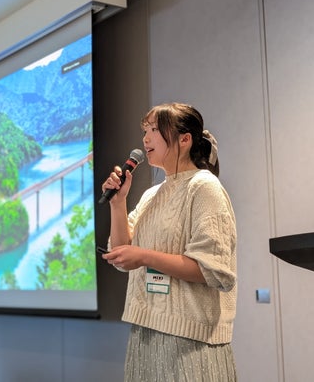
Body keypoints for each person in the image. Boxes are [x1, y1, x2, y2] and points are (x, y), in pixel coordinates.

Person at [100, 102, 237, 382]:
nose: (145, 139)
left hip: (190, 340)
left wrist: (144, 256)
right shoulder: (152, 195)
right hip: (145, 330)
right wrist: (118, 203)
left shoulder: (204, 186)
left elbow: (213, 270)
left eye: (154, 130)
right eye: (145, 131)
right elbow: (122, 254)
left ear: (184, 140)